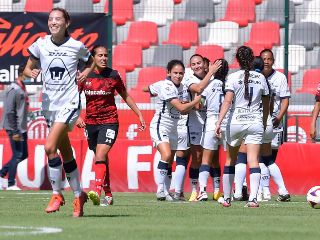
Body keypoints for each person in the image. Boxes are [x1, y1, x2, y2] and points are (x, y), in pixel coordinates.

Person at [23, 8, 94, 217]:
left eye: (58, 19)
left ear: (67, 23)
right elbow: (27, 68)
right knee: (65, 152)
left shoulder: (76, 46)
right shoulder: (40, 44)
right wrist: (32, 72)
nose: (53, 22)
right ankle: (79, 195)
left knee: (49, 147)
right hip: (49, 105)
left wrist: (85, 73)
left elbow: (90, 62)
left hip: (70, 103)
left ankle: (56, 194)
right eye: (51, 19)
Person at [76, 45, 146, 206]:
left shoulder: (113, 75)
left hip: (110, 121)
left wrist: (139, 113)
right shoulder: (84, 76)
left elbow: (125, 95)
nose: (103, 58)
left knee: (100, 155)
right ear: (92, 58)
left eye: (105, 55)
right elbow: (73, 98)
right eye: (100, 55)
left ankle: (96, 190)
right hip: (91, 123)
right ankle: (108, 193)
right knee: (101, 158)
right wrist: (76, 117)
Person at [215, 46, 270, 207]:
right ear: (252, 59)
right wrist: (264, 120)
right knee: (253, 160)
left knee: (230, 159)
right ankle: (253, 198)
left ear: (237, 59)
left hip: (236, 122)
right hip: (255, 121)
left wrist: (218, 122)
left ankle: (226, 198)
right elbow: (267, 104)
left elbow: (227, 101)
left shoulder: (232, 77)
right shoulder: (261, 78)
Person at [149, 59, 201, 200]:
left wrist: (187, 104)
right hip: (160, 125)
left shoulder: (183, 88)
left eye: (181, 73)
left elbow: (183, 111)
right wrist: (197, 100)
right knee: (166, 155)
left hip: (174, 128)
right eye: (175, 73)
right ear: (168, 73)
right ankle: (160, 190)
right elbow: (182, 108)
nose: (178, 76)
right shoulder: (166, 85)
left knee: (170, 160)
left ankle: (166, 192)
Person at [184, 54, 222, 201]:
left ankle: (217, 190)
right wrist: (211, 73)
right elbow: (199, 88)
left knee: (214, 158)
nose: (197, 66)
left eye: (199, 63)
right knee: (197, 157)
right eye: (193, 64)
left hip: (212, 121)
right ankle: (195, 190)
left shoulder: (214, 80)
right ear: (190, 67)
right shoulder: (190, 79)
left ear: (204, 64)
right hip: (196, 122)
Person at [259, 49, 291, 202]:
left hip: (273, 124)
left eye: (269, 59)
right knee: (262, 158)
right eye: (264, 58)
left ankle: (265, 191)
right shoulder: (256, 76)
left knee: (267, 158)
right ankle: (268, 191)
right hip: (257, 123)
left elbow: (285, 99)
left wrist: (279, 117)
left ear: (273, 61)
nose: (266, 61)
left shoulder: (280, 77)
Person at [197, 59, 229, 201]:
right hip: (227, 122)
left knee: (206, 160)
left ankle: (203, 191)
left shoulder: (209, 86)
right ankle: (224, 191)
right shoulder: (230, 84)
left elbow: (200, 105)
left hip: (211, 122)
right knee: (231, 159)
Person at [0, 64, 29, 191]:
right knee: (17, 154)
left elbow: (21, 108)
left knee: (24, 154)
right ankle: (11, 183)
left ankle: (1, 173)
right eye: (31, 70)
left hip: (22, 127)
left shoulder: (23, 87)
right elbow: (9, 111)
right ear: (23, 72)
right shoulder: (14, 88)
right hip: (14, 128)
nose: (33, 73)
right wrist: (15, 130)